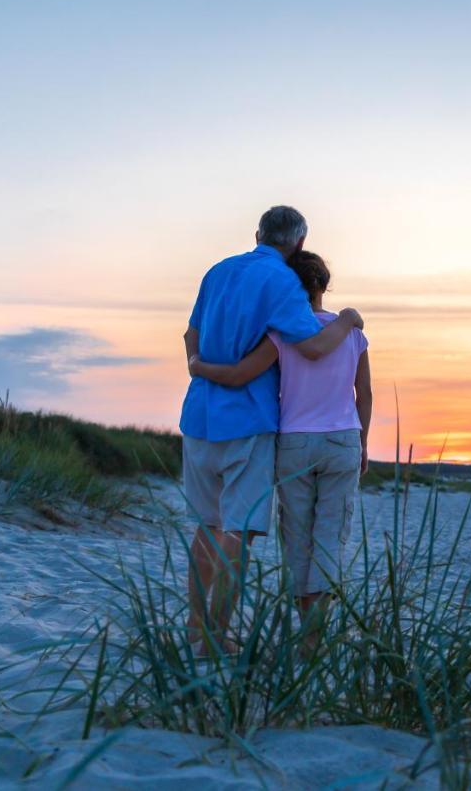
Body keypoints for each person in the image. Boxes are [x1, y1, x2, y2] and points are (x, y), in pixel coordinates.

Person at [179, 206, 363, 654]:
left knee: (207, 524)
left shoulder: (219, 270)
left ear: (257, 233)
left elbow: (190, 335)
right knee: (237, 530)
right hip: (248, 421)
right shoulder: (282, 281)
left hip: (199, 414)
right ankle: (216, 639)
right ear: (299, 243)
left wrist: (198, 366)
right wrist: (347, 319)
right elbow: (316, 347)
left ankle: (197, 631)